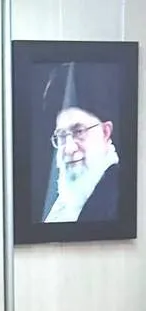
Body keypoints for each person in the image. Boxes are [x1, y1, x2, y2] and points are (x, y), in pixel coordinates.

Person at [43, 64, 121, 224]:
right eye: (62, 136)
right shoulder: (63, 201)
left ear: (105, 132)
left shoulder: (120, 196)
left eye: (79, 132)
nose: (69, 148)